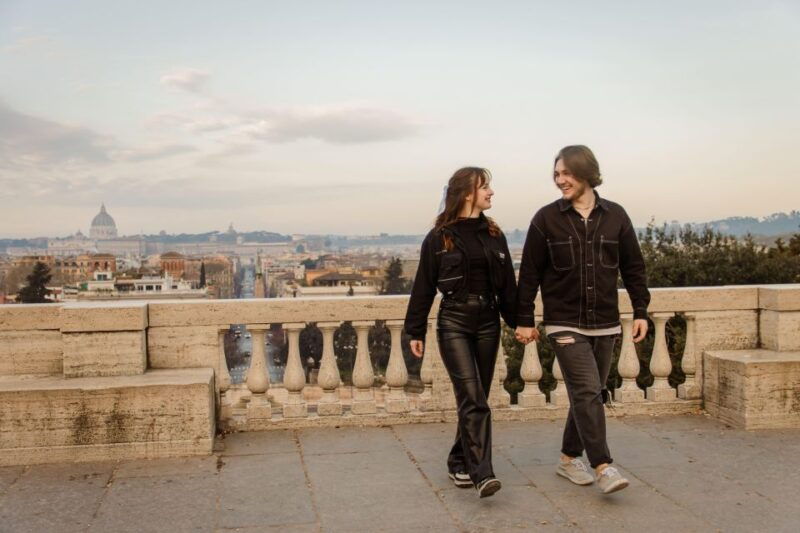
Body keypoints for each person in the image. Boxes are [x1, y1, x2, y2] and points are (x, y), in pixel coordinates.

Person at [515, 145, 650, 495]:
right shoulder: (546, 219)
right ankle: (603, 465)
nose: (560, 180)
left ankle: (567, 458)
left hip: (606, 322)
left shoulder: (616, 216)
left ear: (586, 172)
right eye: (556, 174)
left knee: (589, 394)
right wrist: (525, 319)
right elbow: (529, 273)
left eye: (566, 173)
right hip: (563, 322)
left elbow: (634, 268)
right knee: (589, 391)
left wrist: (640, 311)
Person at [404, 167, 517, 498]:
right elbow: (423, 288)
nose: (491, 193)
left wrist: (521, 323)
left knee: (476, 396)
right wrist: (415, 331)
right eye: (485, 187)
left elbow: (508, 287)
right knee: (473, 397)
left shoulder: (495, 235)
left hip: (488, 322)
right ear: (468, 193)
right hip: (453, 322)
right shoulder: (439, 238)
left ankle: (458, 461)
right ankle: (483, 473)